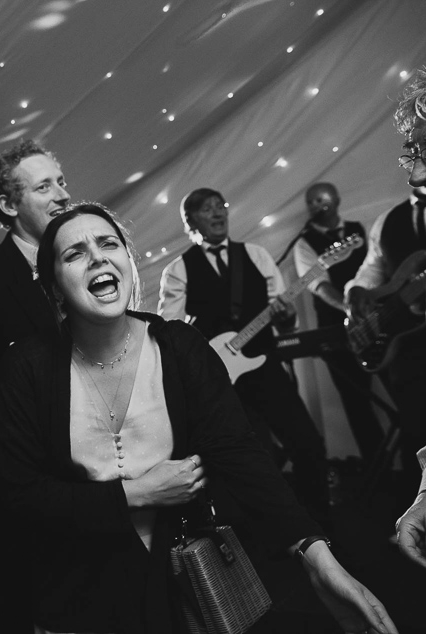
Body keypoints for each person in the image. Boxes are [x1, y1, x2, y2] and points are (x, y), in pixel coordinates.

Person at [0, 202, 397, 634]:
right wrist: (136, 493)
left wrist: (315, 556)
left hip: (183, 585)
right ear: (53, 287)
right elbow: (20, 496)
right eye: (74, 254)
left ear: (127, 261)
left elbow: (241, 455)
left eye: (109, 243)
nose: (97, 257)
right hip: (78, 598)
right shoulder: (26, 368)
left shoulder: (179, 347)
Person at [158, 188, 329, 515]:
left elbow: (286, 319)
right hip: (220, 384)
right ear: (190, 221)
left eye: (220, 205)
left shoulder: (256, 254)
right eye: (207, 209)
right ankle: (274, 540)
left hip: (266, 370)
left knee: (308, 445)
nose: (218, 212)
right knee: (255, 461)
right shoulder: (178, 270)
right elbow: (171, 335)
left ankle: (321, 526)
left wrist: (287, 314)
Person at [0, 140, 67, 631]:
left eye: (61, 181)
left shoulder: (84, 262)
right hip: (28, 494)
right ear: (8, 205)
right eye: (45, 185)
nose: (63, 194)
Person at [346, 66, 426, 565]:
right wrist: (358, 299)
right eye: (412, 153)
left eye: (422, 151)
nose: (413, 170)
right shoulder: (391, 220)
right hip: (407, 346)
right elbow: (369, 273)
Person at [294, 182, 383, 466]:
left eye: (322, 198)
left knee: (401, 389)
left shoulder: (360, 228)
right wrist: (348, 307)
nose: (317, 205)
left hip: (376, 321)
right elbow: (317, 286)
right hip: (336, 330)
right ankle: (378, 470)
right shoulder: (303, 242)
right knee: (356, 403)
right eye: (311, 201)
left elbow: (376, 270)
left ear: (337, 199)